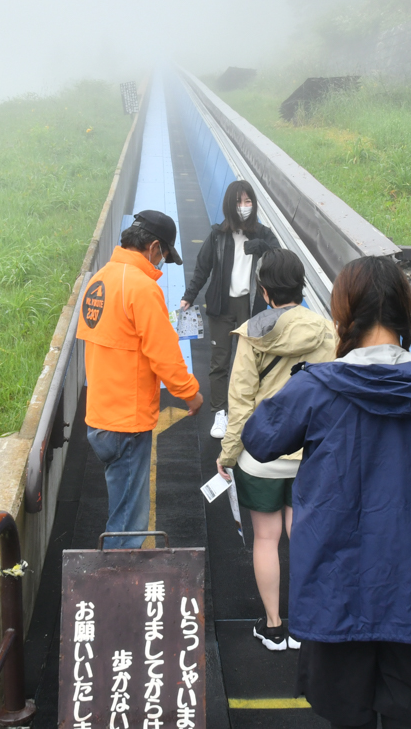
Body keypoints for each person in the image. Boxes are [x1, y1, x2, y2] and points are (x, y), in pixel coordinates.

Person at [241, 256, 411, 729]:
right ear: (404, 311)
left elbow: (259, 439)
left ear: (344, 313)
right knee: (408, 718)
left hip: (338, 582)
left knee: (345, 716)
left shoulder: (316, 388)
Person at [216, 249, 337, 652]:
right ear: (301, 287)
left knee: (266, 539)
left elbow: (241, 402)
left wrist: (228, 454)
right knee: (302, 537)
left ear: (265, 291)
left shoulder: (253, 332)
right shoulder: (328, 331)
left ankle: (273, 626)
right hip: (312, 456)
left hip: (262, 457)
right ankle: (306, 625)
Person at [76, 210, 203, 549]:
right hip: (126, 423)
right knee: (128, 526)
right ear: (154, 247)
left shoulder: (100, 279)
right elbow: (164, 354)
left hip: (99, 417)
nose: (161, 263)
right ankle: (115, 592)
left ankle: (111, 583)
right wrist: (190, 394)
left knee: (119, 511)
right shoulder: (141, 288)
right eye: (162, 255)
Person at [179, 180, 280, 442]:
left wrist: (265, 248)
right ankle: (220, 412)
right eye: (238, 202)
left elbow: (281, 261)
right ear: (229, 205)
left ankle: (245, 413)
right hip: (221, 306)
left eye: (248, 202)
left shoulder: (264, 233)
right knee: (220, 361)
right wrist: (188, 297)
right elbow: (203, 267)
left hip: (252, 305)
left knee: (250, 362)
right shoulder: (217, 235)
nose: (244, 207)